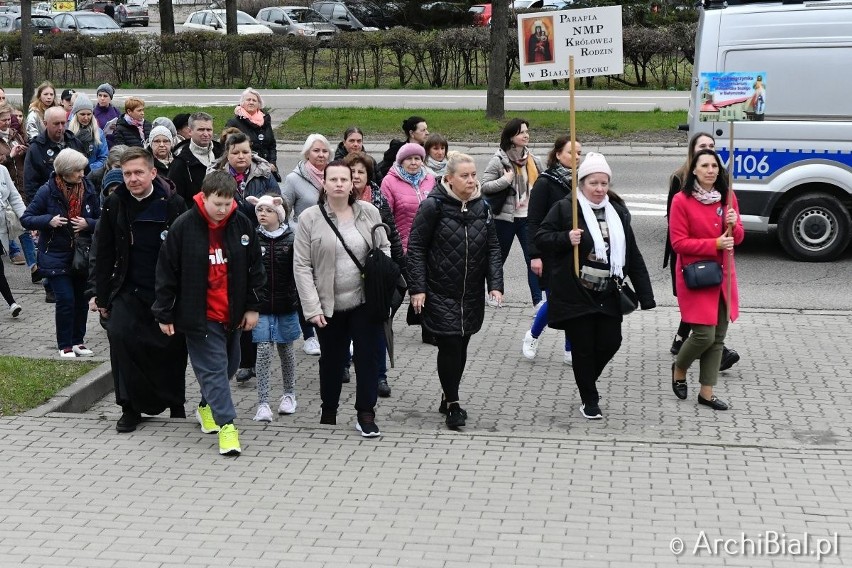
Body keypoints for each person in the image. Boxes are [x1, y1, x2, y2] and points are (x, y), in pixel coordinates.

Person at [153, 171, 266, 456]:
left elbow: (256, 269)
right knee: (214, 369)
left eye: (228, 204)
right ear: (204, 197)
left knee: (228, 367)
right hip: (199, 317)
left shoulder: (241, 224)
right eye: (217, 203)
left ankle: (206, 406)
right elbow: (166, 272)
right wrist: (164, 313)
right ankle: (227, 427)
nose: (223, 209)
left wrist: (252, 307)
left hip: (233, 315)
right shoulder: (184, 226)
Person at [535, 152, 655, 420]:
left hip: (608, 291)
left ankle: (587, 379)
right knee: (583, 346)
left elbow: (632, 254)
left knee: (611, 341)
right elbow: (541, 238)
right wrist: (566, 238)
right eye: (594, 184)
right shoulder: (567, 209)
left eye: (604, 183)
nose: (600, 189)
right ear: (582, 183)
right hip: (576, 291)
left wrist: (646, 296)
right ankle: (589, 397)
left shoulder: (618, 212)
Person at [90, 147, 188, 433]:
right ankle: (129, 407)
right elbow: (104, 250)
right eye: (127, 174)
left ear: (153, 173)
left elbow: (187, 251)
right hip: (127, 289)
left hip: (165, 292)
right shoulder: (114, 204)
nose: (132, 179)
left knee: (168, 349)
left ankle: (175, 404)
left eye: (138, 173)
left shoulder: (173, 203)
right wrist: (100, 293)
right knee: (120, 338)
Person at [293, 160, 390, 438]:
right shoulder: (310, 218)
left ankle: (365, 414)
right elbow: (301, 266)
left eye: (343, 179)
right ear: (324, 183)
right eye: (332, 179)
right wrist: (312, 308)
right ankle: (329, 411)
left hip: (364, 302)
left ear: (352, 184)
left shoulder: (369, 212)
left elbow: (385, 246)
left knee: (368, 358)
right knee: (332, 361)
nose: (338, 184)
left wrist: (381, 282)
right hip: (328, 306)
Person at [407, 152, 504, 429]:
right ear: (449, 178)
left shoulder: (482, 207)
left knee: (461, 345)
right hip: (439, 291)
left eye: (474, 175)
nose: (472, 180)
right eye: (465, 175)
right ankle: (453, 403)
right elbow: (415, 249)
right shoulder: (433, 206)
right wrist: (418, 288)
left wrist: (495, 284)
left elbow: (493, 247)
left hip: (470, 293)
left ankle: (447, 393)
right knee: (449, 344)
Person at [669, 149, 744, 411]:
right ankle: (679, 367)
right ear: (694, 170)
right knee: (703, 335)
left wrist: (735, 224)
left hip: (723, 277)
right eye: (705, 165)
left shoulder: (727, 197)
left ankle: (706, 393)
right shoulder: (681, 200)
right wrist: (715, 243)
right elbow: (679, 243)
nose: (711, 170)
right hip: (697, 276)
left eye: (714, 165)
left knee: (718, 338)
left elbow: (739, 238)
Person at [208, 130, 280, 382]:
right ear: (227, 153)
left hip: (257, 240)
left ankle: (249, 361)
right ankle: (231, 356)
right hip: (224, 243)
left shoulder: (264, 174)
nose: (241, 156)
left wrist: (262, 206)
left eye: (246, 152)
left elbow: (277, 203)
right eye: (235, 152)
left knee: (251, 298)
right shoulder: (215, 176)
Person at [21, 149, 101, 357]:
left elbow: (101, 221)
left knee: (81, 299)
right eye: (77, 171)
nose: (82, 174)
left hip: (81, 254)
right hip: (55, 254)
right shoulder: (47, 191)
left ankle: (78, 341)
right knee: (65, 300)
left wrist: (88, 223)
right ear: (65, 171)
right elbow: (27, 218)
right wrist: (49, 220)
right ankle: (64, 344)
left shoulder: (89, 188)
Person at [344, 151, 404, 397]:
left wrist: (396, 266)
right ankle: (343, 364)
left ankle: (380, 376)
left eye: (361, 172)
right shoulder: (333, 202)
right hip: (345, 276)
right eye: (352, 172)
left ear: (369, 177)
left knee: (378, 327)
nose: (356, 176)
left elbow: (390, 237)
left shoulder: (377, 202)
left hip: (373, 277)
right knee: (345, 326)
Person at [522, 136, 581, 364]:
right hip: (551, 250)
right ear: (557, 154)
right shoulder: (546, 182)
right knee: (556, 300)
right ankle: (533, 335)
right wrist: (535, 255)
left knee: (575, 301)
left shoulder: (582, 181)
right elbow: (533, 221)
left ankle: (570, 347)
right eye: (570, 152)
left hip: (574, 248)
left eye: (579, 153)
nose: (576, 157)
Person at [244, 194, 300, 421]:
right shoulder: (253, 238)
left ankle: (289, 395)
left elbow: (300, 269)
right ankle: (263, 402)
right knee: (263, 350)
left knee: (286, 350)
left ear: (278, 213)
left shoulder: (292, 238)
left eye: (267, 211)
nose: (262, 214)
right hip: (262, 305)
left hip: (286, 304)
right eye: (259, 211)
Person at [481, 118, 544, 307]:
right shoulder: (499, 161)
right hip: (504, 218)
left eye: (526, 131)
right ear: (510, 137)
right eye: (521, 132)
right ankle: (495, 293)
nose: (526, 135)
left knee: (533, 258)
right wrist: (505, 180)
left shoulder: (534, 161)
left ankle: (538, 301)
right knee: (498, 258)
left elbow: (542, 186)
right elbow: (484, 187)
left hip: (528, 219)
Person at [282, 133, 332, 357]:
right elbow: (284, 211)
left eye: (324, 151)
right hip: (305, 242)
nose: (321, 155)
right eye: (316, 151)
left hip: (330, 242)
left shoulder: (333, 175)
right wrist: (295, 232)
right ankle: (309, 336)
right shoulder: (295, 179)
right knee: (305, 288)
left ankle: (329, 331)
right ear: (306, 153)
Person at [168, 111, 223, 208]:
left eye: (209, 130)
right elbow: (176, 199)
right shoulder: (180, 162)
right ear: (190, 131)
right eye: (201, 130)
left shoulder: (223, 154)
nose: (206, 134)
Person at [0, 103, 31, 268]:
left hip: (20, 183)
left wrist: (24, 150)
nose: (7, 123)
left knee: (22, 220)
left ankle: (33, 265)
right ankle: (12, 251)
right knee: (8, 221)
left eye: (8, 119)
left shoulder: (15, 135)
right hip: (5, 186)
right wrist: (10, 156)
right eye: (3, 120)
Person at [225, 87, 278, 178]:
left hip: (267, 169)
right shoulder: (234, 123)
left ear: (259, 104)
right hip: (245, 170)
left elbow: (272, 145)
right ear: (242, 103)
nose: (251, 102)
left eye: (254, 100)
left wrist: (272, 162)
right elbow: (227, 148)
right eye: (248, 100)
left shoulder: (265, 121)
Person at [0, 162, 26, 318]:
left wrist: (27, 219)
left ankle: (12, 303)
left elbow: (14, 197)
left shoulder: (2, 170)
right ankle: (11, 302)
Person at [377, 116, 429, 181]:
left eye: (426, 129)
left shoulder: (429, 149)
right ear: (412, 133)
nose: (427, 133)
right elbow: (384, 170)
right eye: (423, 130)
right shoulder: (396, 150)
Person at [67, 94, 109, 173]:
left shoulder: (99, 133)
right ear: (76, 115)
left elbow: (104, 157)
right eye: (82, 114)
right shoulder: (68, 133)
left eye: (89, 114)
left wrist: (88, 169)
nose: (86, 118)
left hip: (92, 174)